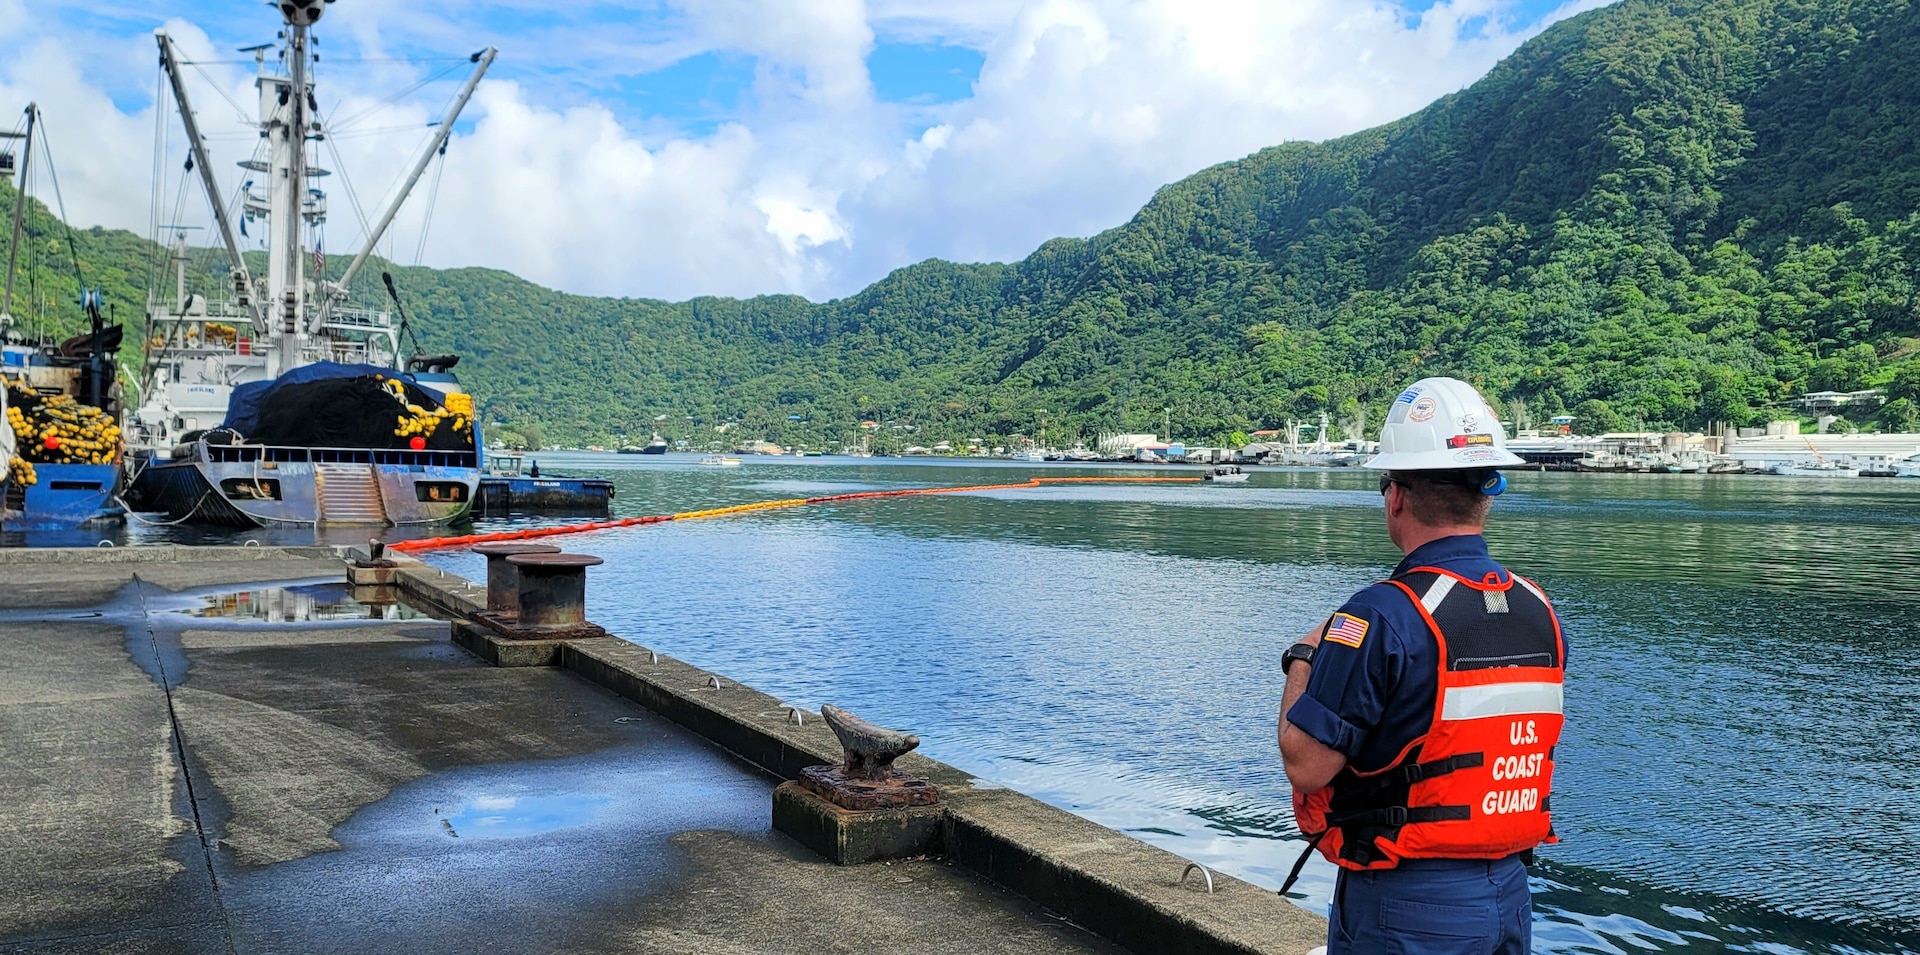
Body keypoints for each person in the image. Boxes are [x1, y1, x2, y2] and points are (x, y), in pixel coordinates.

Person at [1277, 376, 1566, 954]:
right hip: (1509, 891)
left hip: (1406, 901)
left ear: (1396, 495)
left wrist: (1305, 657)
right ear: (1488, 492)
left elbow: (1305, 765)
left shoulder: (1382, 615)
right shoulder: (1538, 608)